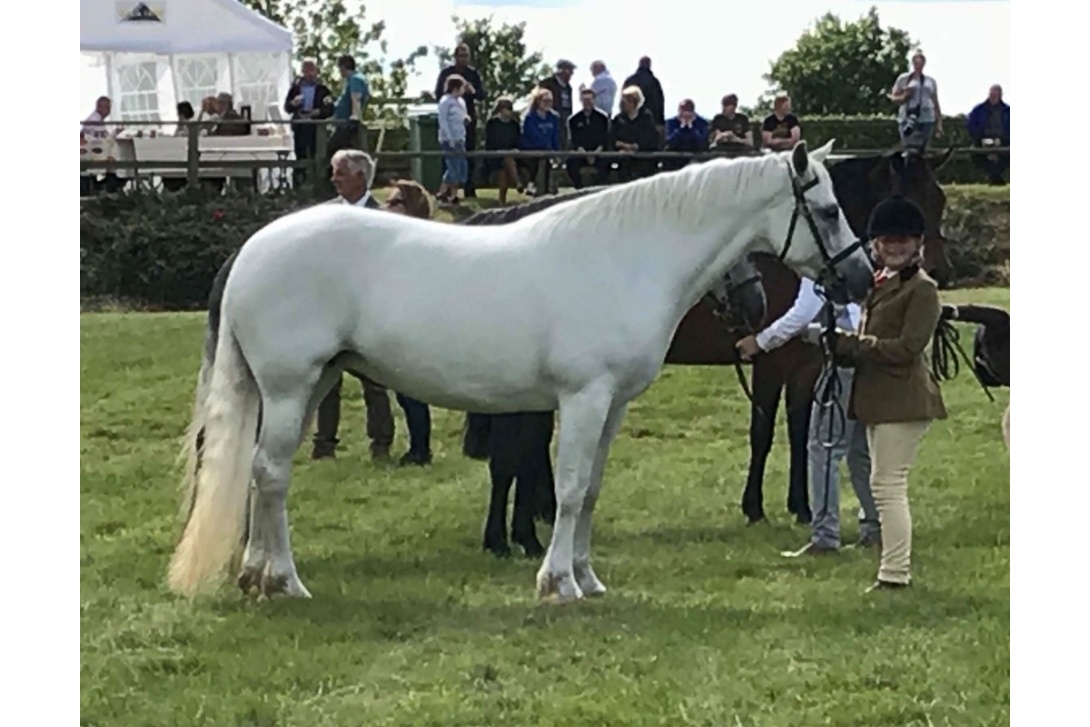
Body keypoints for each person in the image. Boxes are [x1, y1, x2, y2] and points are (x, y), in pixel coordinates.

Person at [816, 196, 947, 592]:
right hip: (881, 399)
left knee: (889, 486)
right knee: (883, 484)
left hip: (903, 400)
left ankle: (895, 574)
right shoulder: (883, 285)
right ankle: (893, 568)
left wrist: (853, 345)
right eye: (887, 240)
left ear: (918, 244)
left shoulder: (922, 290)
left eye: (903, 240)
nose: (894, 246)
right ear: (874, 244)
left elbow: (908, 348)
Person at [736, 279, 880, 556]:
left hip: (844, 359)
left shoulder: (824, 262)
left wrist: (761, 341)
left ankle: (825, 536)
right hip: (871, 359)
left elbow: (803, 311)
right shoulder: (866, 263)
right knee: (859, 450)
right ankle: (874, 529)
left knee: (823, 448)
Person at [311, 150, 395, 462]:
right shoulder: (324, 216)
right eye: (334, 172)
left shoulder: (385, 219)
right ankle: (324, 445)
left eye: (340, 173)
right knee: (326, 384)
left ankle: (381, 443)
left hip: (369, 311)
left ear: (360, 177)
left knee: (375, 382)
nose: (334, 179)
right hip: (329, 311)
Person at [383, 179, 436, 466]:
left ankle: (420, 449)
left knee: (412, 393)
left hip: (418, 325)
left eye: (394, 203)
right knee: (405, 395)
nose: (386, 208)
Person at [435, 43, 486, 197]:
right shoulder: (446, 73)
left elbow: (482, 95)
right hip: (450, 119)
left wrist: (472, 91)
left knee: (468, 154)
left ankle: (469, 187)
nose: (464, 59)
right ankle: (448, 192)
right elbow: (438, 93)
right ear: (455, 56)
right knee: (450, 160)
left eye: (466, 56)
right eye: (461, 56)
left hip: (466, 116)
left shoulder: (473, 74)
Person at [284, 58, 334, 186]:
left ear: (316, 71)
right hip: (300, 125)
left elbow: (330, 108)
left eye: (311, 70)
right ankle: (299, 183)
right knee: (300, 154)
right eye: (306, 70)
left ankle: (316, 183)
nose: (309, 74)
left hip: (316, 126)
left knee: (316, 155)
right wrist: (294, 103)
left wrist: (318, 112)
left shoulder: (323, 89)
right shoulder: (295, 88)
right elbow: (287, 107)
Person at [889, 51, 942, 153]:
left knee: (924, 150)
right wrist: (905, 95)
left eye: (921, 62)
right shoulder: (904, 79)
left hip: (927, 119)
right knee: (908, 149)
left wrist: (939, 123)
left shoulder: (930, 81)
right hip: (908, 118)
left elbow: (935, 102)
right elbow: (893, 98)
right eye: (916, 62)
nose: (918, 64)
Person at [608, 85, 661, 182]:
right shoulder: (619, 119)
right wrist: (622, 146)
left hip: (643, 158)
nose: (624, 104)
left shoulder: (646, 117)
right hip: (624, 158)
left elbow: (652, 138)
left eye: (628, 101)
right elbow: (611, 138)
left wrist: (636, 146)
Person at [965, 84, 1010, 185]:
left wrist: (1004, 139)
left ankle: (994, 176)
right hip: (983, 139)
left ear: (1000, 95)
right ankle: (996, 177)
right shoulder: (978, 109)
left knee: (1008, 155)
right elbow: (970, 124)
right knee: (975, 154)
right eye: (992, 94)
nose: (993, 96)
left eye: (996, 94)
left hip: (1003, 140)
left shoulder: (1008, 110)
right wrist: (978, 137)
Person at [566, 88, 611, 188]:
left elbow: (605, 138)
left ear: (594, 100)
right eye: (585, 100)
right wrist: (584, 153)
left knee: (606, 162)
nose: (587, 102)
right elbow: (574, 140)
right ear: (581, 101)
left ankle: (599, 188)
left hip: (598, 152)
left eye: (590, 100)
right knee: (571, 163)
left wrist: (595, 153)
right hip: (581, 152)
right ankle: (579, 188)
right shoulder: (573, 119)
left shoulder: (602, 118)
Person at [436, 74, 470, 204]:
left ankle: (444, 193)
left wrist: (465, 119)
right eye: (462, 87)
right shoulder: (445, 101)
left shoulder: (461, 102)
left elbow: (462, 115)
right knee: (453, 166)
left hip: (460, 138)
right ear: (455, 88)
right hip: (448, 139)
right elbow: (443, 121)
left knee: (459, 166)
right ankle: (450, 195)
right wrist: (449, 138)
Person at [520, 87, 561, 196]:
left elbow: (555, 136)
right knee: (540, 160)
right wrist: (546, 148)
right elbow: (532, 135)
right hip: (531, 148)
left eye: (550, 101)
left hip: (548, 150)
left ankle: (549, 190)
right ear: (538, 101)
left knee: (550, 162)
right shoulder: (530, 117)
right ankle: (532, 184)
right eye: (545, 101)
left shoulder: (554, 117)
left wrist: (556, 151)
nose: (548, 104)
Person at [483, 97, 524, 204]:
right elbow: (490, 142)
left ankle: (502, 200)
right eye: (507, 109)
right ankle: (517, 182)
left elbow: (518, 140)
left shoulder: (514, 125)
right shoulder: (492, 124)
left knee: (508, 161)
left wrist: (516, 149)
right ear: (500, 109)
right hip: (495, 156)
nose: (510, 111)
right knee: (503, 169)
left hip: (512, 156)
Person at [328, 54, 370, 156]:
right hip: (342, 123)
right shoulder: (351, 80)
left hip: (347, 125)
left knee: (332, 150)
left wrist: (355, 116)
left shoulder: (355, 79)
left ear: (343, 67)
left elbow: (356, 97)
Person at [622, 56, 665, 139]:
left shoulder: (630, 80)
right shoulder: (654, 82)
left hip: (628, 118)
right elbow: (658, 103)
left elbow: (624, 99)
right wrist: (660, 122)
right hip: (650, 119)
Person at [537, 60, 576, 149]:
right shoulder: (548, 83)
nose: (571, 74)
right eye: (570, 71)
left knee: (565, 139)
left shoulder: (568, 87)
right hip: (551, 116)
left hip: (565, 116)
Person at [663, 99, 709, 171]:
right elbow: (669, 142)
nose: (685, 116)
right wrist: (681, 128)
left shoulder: (702, 123)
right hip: (674, 158)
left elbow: (701, 144)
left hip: (695, 157)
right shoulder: (671, 122)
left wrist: (691, 128)